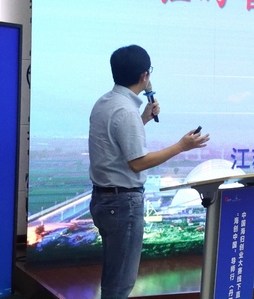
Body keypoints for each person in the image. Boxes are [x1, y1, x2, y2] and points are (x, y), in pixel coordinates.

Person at [88, 44, 209, 299]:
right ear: (144, 75)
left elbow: (116, 144)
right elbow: (138, 163)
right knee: (119, 284)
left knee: (113, 277)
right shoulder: (125, 111)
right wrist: (181, 146)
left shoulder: (105, 102)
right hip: (122, 203)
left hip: (103, 200)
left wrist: (143, 118)